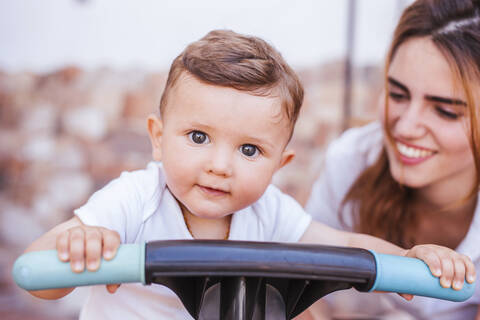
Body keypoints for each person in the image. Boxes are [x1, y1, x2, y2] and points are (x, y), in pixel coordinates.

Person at [23, 30, 474, 320]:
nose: (221, 165)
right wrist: (79, 246)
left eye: (249, 149)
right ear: (157, 138)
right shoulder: (134, 199)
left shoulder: (269, 210)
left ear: (281, 165)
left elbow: (346, 245)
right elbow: (36, 276)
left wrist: (409, 257)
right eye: (198, 137)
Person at [305, 0, 480, 319]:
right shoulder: (352, 160)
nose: (406, 126)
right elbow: (304, 291)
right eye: (397, 94)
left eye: (446, 111)